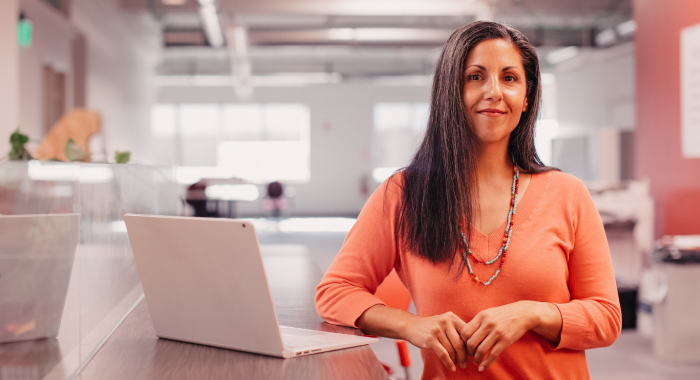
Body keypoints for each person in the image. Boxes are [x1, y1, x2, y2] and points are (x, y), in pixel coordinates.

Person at [315, 21, 621, 380]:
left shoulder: (568, 193)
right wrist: (411, 325)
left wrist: (532, 314)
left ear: (526, 97)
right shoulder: (403, 194)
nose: (493, 91)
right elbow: (335, 292)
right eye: (475, 76)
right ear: (451, 91)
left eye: (509, 78)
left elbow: (607, 317)